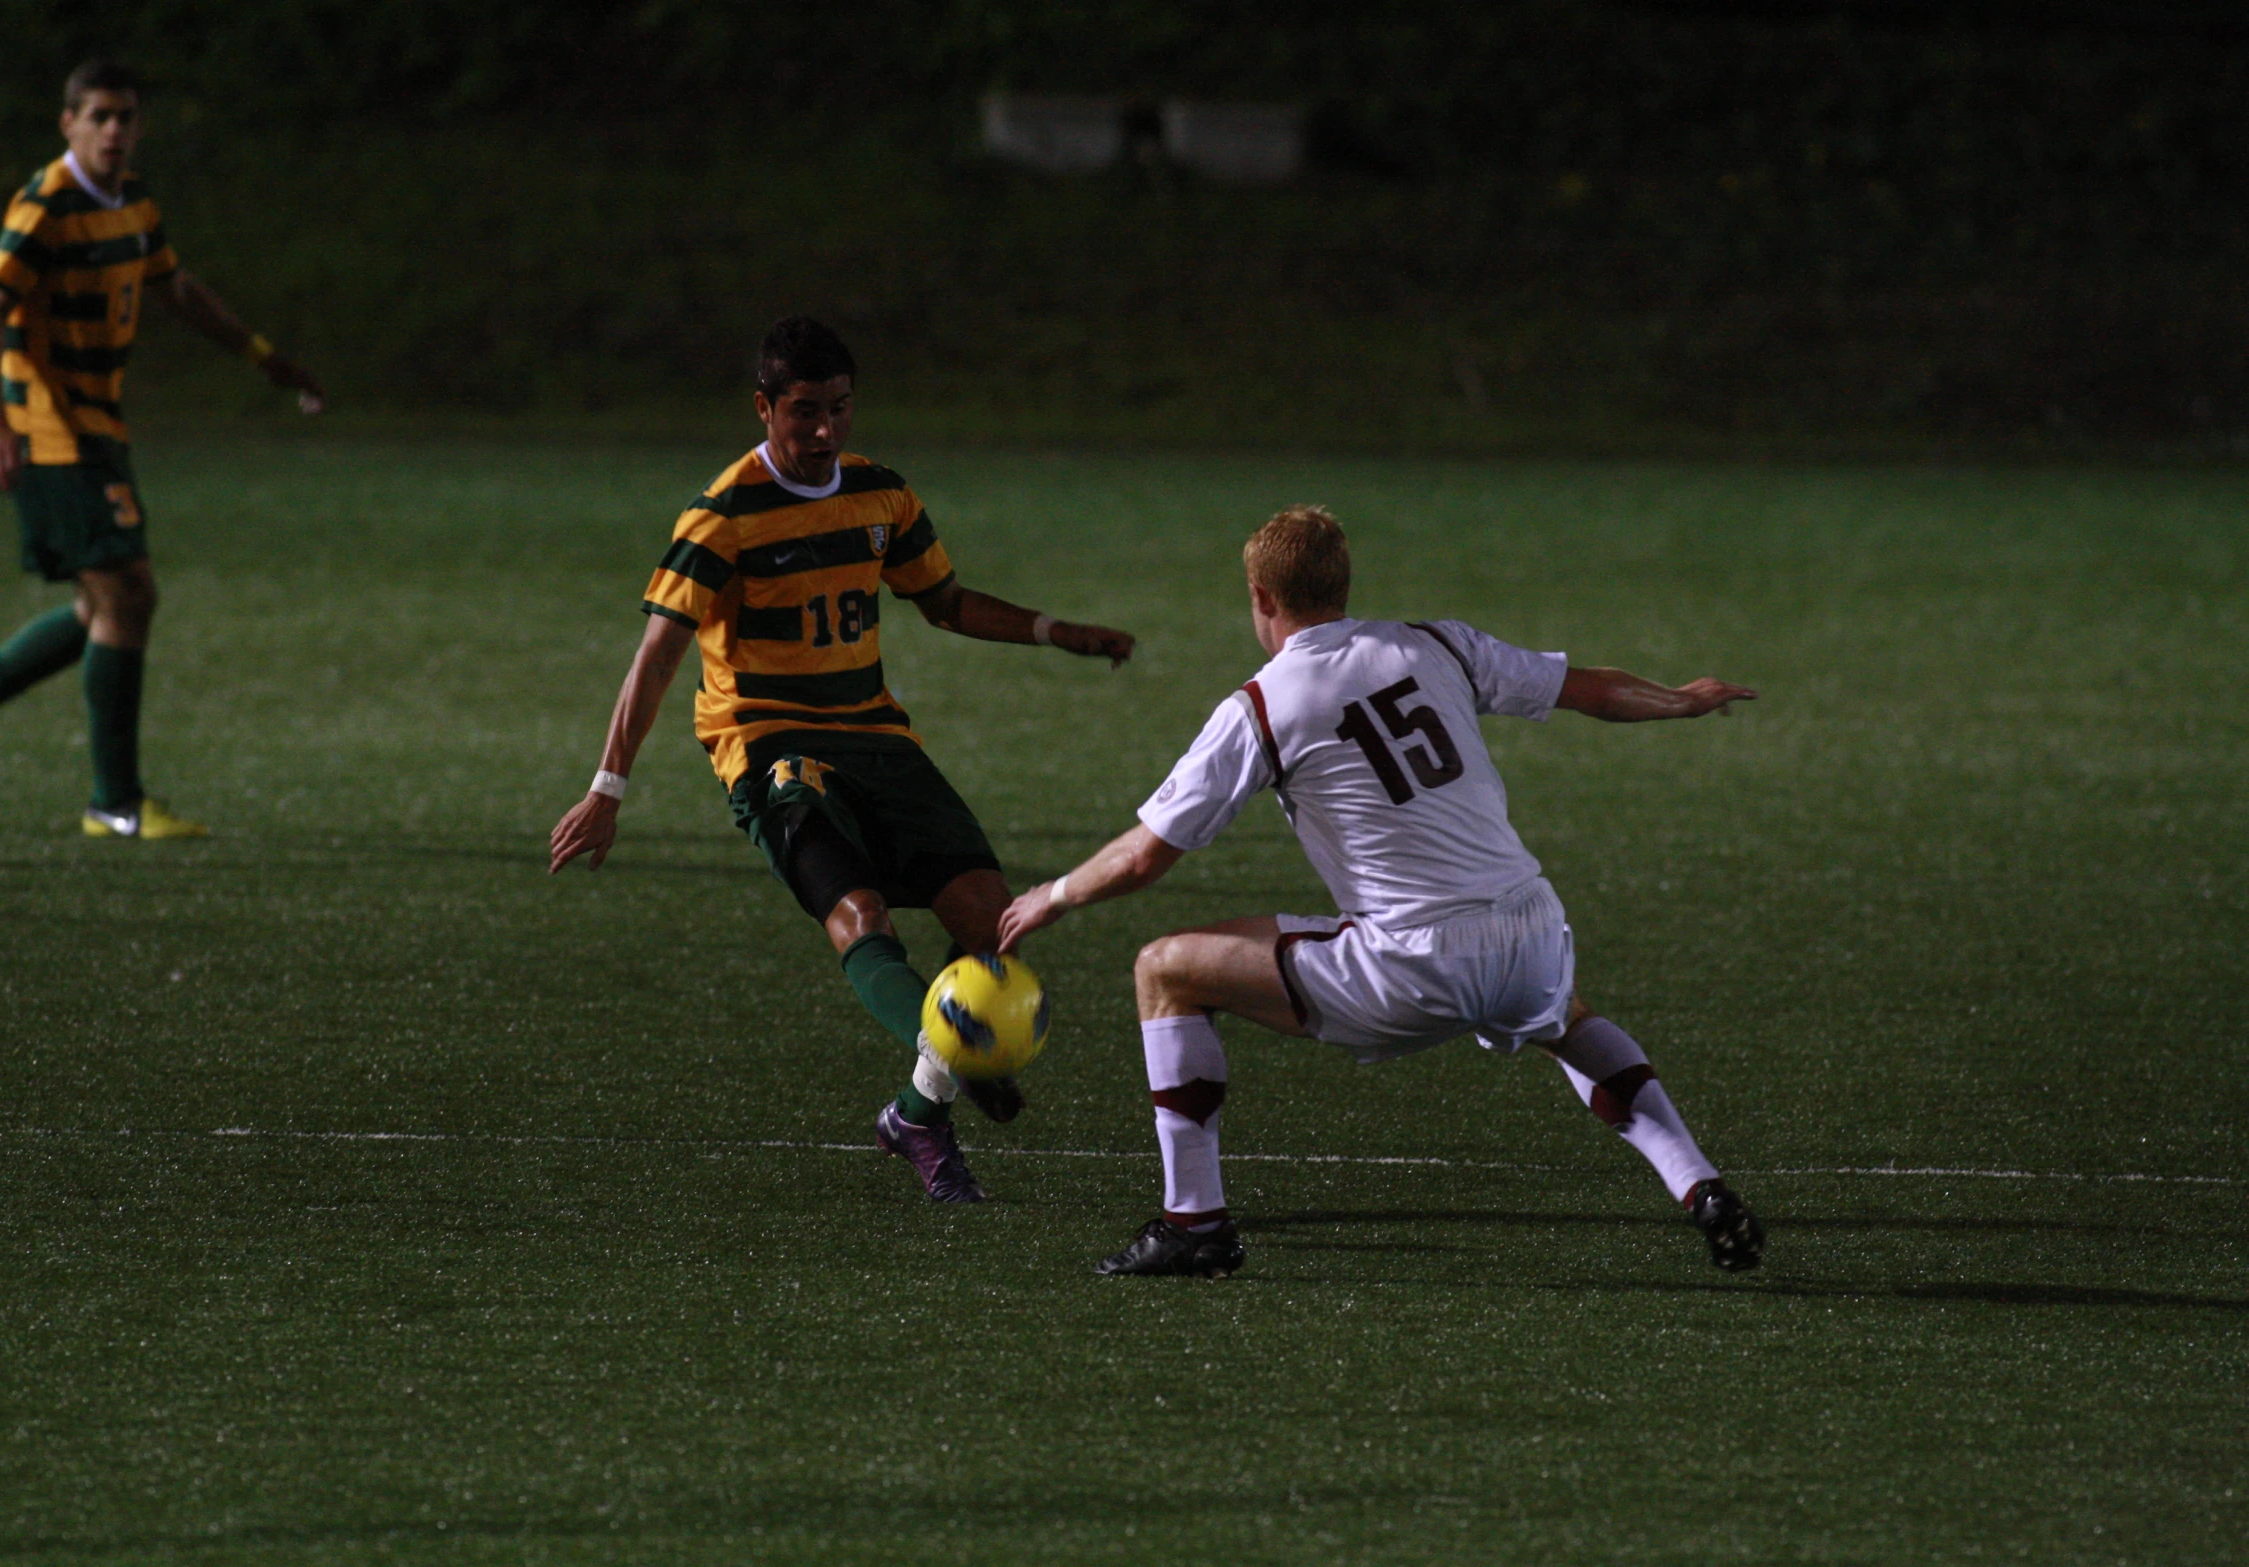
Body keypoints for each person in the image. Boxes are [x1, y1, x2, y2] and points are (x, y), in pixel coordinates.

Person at [999, 504, 1766, 1278]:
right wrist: (1682, 697)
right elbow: (1586, 687)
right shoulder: (1438, 644)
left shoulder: (1263, 705)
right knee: (1562, 1017)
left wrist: (1053, 894)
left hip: (1412, 963)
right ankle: (1698, 1184)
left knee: (1165, 970)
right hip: (1530, 931)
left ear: (1262, 596)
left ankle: (1193, 1220)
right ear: (1342, 583)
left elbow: (1141, 859)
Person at [548, 316, 1136, 1202]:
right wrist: (607, 788)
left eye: (841, 409)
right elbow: (658, 655)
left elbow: (944, 602)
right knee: (860, 914)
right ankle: (955, 1054)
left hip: (877, 738)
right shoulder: (722, 518)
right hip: (772, 748)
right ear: (764, 407)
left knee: (993, 922)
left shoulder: (882, 497)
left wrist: (1057, 633)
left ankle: (915, 1113)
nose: (825, 431)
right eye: (805, 413)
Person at [0, 59, 324, 837]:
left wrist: (263, 355)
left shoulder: (131, 201)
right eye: (99, 116)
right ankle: (114, 801)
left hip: (98, 425)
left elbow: (178, 290)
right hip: (48, 430)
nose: (115, 131)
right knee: (128, 594)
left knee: (104, 602)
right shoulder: (44, 206)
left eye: (126, 116)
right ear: (68, 124)